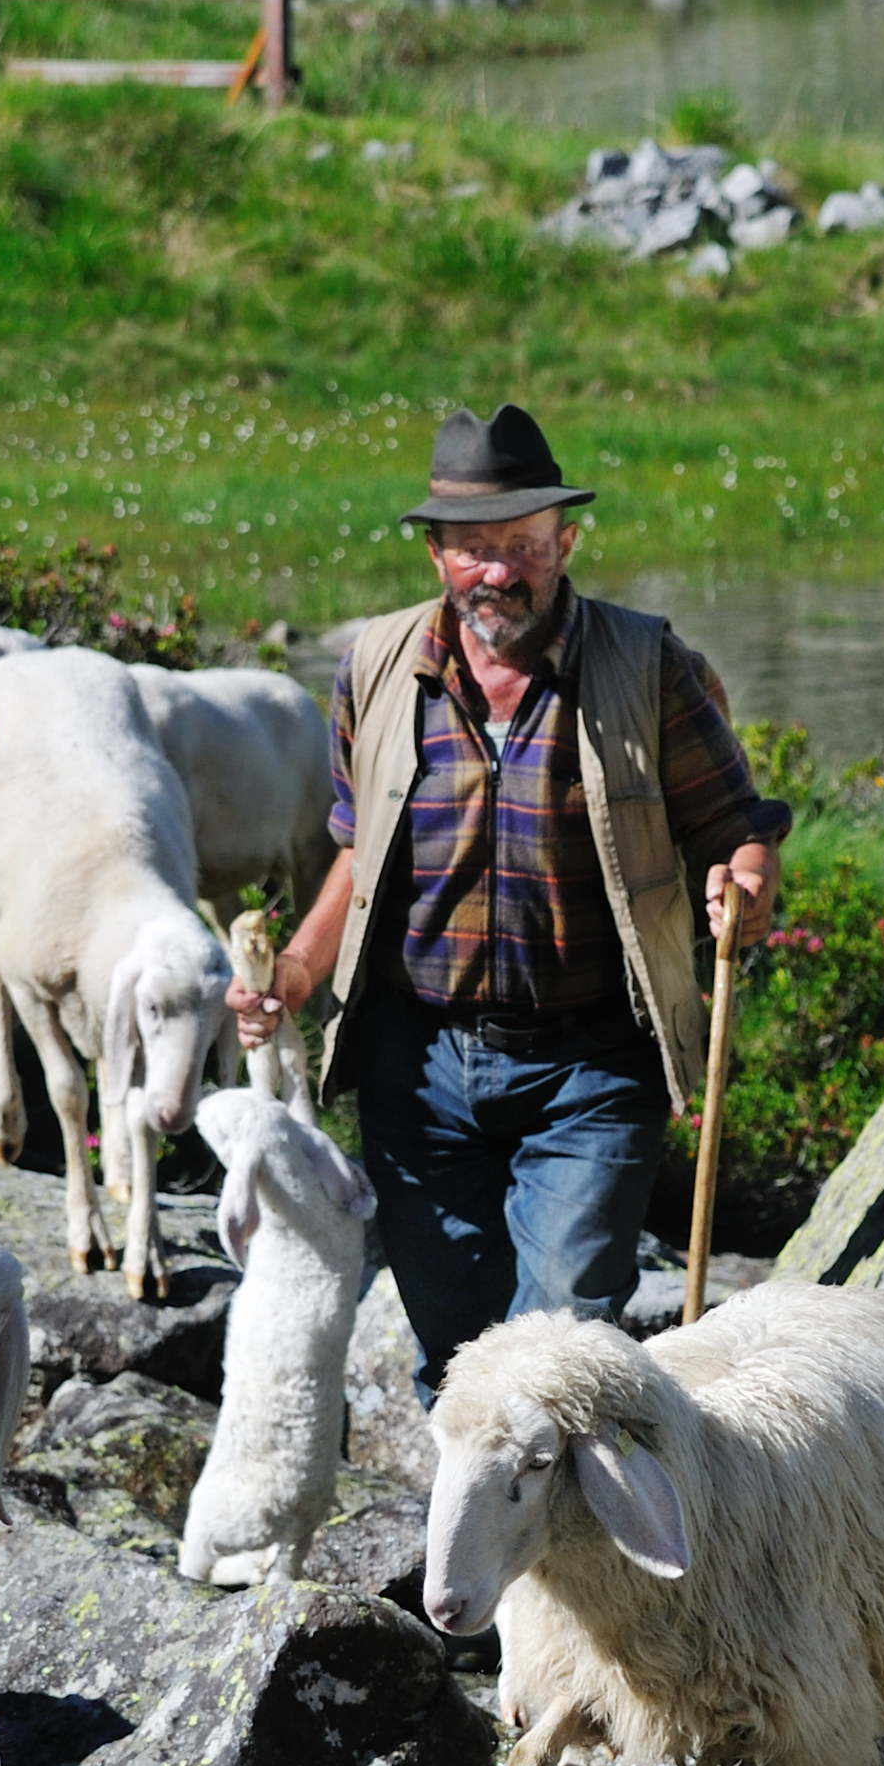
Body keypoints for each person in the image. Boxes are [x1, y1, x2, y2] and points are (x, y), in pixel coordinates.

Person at [229, 403, 785, 1398]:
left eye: (522, 546)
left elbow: (737, 821)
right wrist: (299, 974)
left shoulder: (650, 667)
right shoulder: (376, 666)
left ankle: (567, 1550)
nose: (500, 571)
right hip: (420, 1065)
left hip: (591, 1064)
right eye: (474, 549)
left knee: (561, 1345)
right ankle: (484, 1545)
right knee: (455, 1357)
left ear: (564, 543)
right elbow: (360, 854)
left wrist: (741, 878)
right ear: (437, 553)